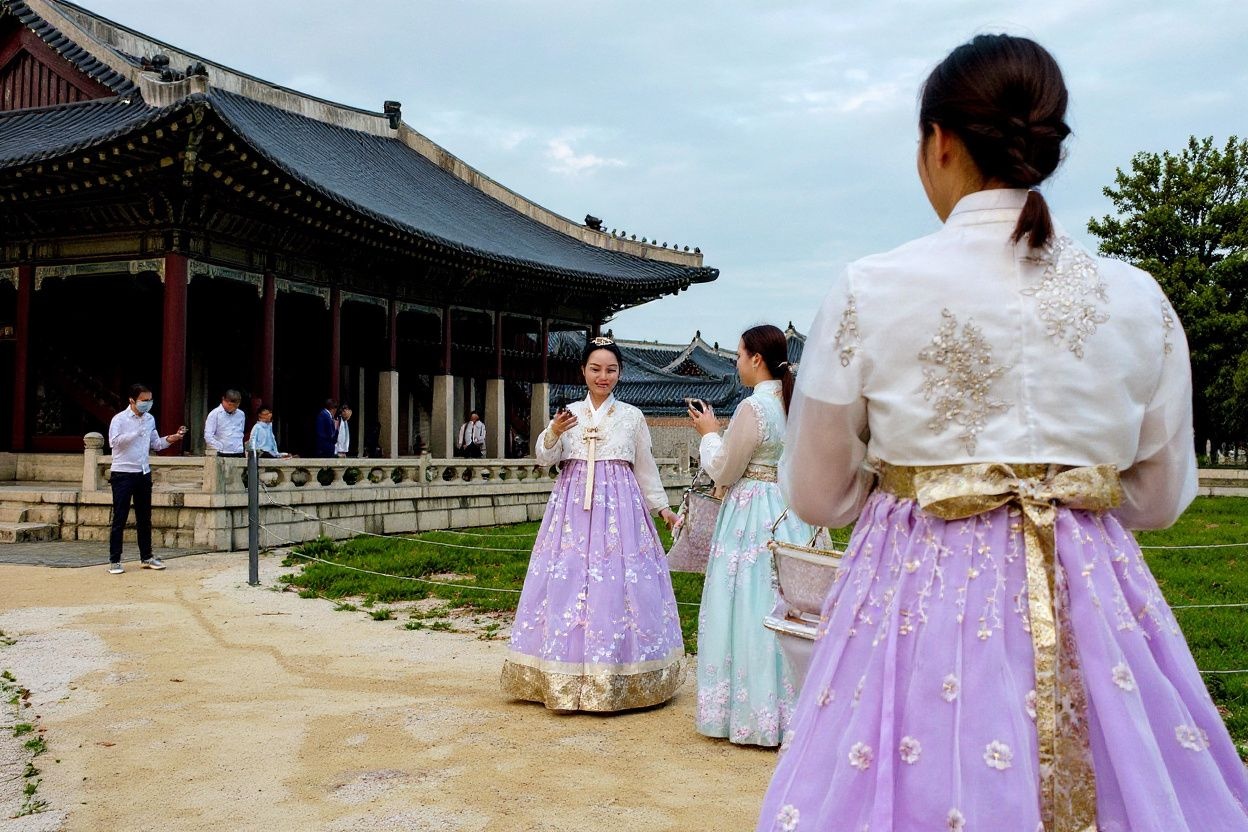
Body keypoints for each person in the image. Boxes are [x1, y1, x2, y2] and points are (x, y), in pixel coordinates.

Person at [757, 35, 1248, 832]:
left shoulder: (869, 288)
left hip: (914, 591)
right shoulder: (1138, 298)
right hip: (1093, 596)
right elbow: (1159, 497)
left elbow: (818, 491)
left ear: (939, 141)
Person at [502, 336, 686, 711]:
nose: (603, 376)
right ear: (583, 371)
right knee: (568, 579)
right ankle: (561, 672)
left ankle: (620, 673)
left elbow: (645, 467)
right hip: (572, 509)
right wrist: (553, 431)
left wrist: (662, 508)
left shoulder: (632, 416)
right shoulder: (569, 413)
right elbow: (543, 459)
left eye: (611, 370)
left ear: (619, 373)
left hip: (620, 509)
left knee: (617, 584)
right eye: (596, 369)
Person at [688, 324, 815, 747]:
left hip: (750, 513)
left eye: (739, 356)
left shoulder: (752, 408)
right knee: (783, 603)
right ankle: (790, 707)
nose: (737, 363)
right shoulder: (795, 402)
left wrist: (709, 435)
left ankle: (749, 712)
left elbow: (724, 468)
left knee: (745, 601)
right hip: (788, 510)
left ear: (755, 359)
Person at [107, 383, 186, 574]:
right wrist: (135, 433)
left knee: (145, 517)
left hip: (143, 472)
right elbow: (114, 442)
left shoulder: (150, 419)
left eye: (150, 400)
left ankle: (146, 556)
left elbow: (156, 444)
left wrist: (174, 437)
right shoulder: (120, 419)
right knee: (120, 517)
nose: (148, 404)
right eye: (144, 400)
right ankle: (115, 560)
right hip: (123, 472)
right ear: (132, 400)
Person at [203, 389, 245, 457]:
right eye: (230, 405)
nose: (233, 408)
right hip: (222, 452)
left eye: (236, 406)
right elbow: (208, 435)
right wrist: (219, 447)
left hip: (238, 451)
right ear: (223, 400)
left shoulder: (241, 414)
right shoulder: (215, 414)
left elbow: (240, 431)